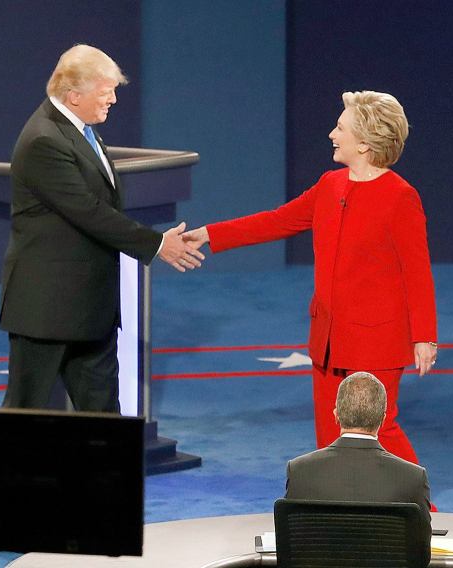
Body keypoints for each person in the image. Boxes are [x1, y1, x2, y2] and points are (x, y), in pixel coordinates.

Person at [183, 91, 437, 464]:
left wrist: (424, 336)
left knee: (378, 432)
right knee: (330, 434)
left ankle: (419, 511)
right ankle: (338, 514)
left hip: (375, 340)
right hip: (329, 338)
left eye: (340, 128)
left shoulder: (401, 197)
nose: (332, 135)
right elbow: (278, 220)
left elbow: (417, 271)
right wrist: (210, 233)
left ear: (365, 143)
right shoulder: (330, 185)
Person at [0, 44, 204, 413]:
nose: (112, 99)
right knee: (24, 418)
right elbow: (88, 211)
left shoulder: (79, 131)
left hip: (89, 307)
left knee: (102, 419)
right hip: (47, 308)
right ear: (74, 94)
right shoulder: (44, 140)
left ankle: (101, 474)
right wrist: (158, 244)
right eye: (105, 91)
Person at [285, 372, 432, 550]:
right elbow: (421, 551)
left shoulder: (300, 471)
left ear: (336, 415)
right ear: (383, 419)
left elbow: (292, 545)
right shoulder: (412, 477)